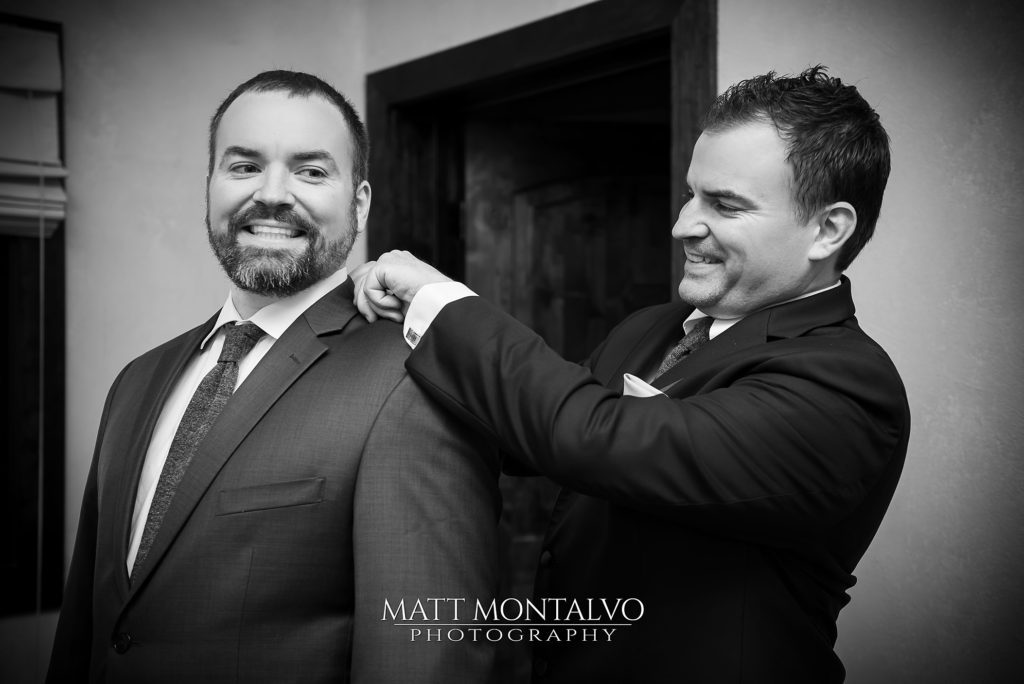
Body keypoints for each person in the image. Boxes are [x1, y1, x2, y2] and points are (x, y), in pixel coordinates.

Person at [355, 66, 910, 683]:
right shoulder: (653, 326)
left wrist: (443, 303)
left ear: (827, 230)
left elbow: (593, 435)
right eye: (691, 195)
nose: (683, 225)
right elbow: (525, 434)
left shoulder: (846, 385)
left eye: (724, 205)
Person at [47, 70, 500, 684]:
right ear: (210, 186)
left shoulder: (413, 380)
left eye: (311, 171)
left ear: (360, 203)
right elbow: (90, 629)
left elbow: (422, 660)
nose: (272, 194)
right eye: (244, 166)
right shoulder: (136, 382)